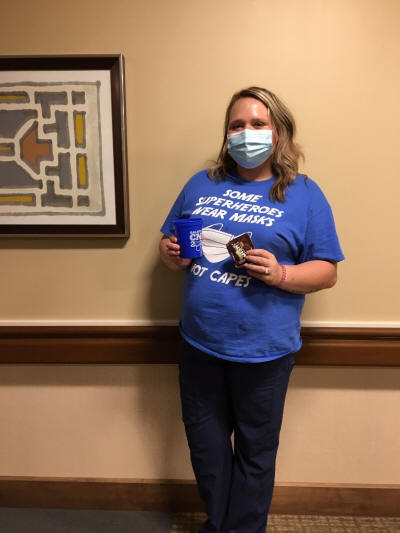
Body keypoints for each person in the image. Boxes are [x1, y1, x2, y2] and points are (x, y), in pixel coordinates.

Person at [159, 86, 344, 533]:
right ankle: (220, 525)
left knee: (255, 453)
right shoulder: (201, 184)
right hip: (199, 343)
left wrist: (280, 273)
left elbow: (327, 271)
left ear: (278, 132)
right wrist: (172, 254)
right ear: (226, 134)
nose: (246, 133)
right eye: (237, 125)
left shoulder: (305, 193)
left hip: (264, 351)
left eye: (258, 124)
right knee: (207, 451)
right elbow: (170, 246)